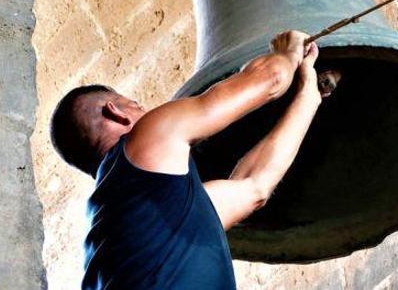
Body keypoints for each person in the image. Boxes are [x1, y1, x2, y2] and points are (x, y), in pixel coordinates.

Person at [49, 30, 325, 289]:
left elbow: (255, 186)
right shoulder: (146, 137)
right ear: (117, 112)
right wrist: (288, 51)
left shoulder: (136, 220)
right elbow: (271, 79)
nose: (146, 109)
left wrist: (308, 96)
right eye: (136, 103)